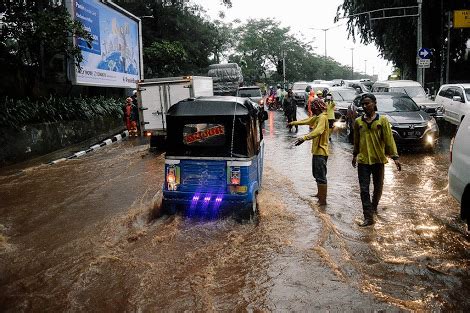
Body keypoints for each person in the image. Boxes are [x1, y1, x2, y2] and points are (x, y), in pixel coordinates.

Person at [352, 93, 402, 227]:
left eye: (367, 103)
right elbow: (356, 141)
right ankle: (368, 217)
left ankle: (373, 207)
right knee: (364, 189)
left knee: (378, 187)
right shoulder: (358, 122)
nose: (365, 106)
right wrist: (354, 155)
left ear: (374, 103)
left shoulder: (383, 120)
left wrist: (395, 157)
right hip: (363, 161)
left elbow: (389, 140)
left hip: (378, 160)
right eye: (363, 104)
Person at [288, 99, 329, 205]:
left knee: (321, 176)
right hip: (316, 151)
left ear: (318, 107)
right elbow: (306, 121)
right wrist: (293, 122)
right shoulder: (317, 117)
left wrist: (304, 138)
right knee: (316, 174)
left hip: (321, 151)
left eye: (313, 107)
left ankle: (323, 200)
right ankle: (319, 194)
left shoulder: (323, 118)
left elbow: (318, 131)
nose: (312, 109)